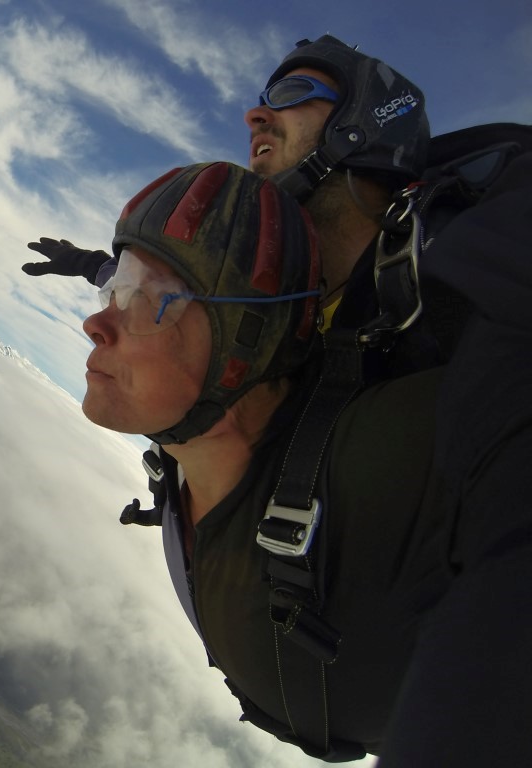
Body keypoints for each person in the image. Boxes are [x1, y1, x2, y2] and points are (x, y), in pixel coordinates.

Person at [78, 159, 532, 764]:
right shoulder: (181, 455)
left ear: (245, 337)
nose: (95, 323)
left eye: (148, 299)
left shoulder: (388, 458)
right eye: (116, 290)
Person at [26, 36, 434, 367]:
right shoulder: (265, 286)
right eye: (263, 100)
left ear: (362, 125)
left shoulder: (447, 287)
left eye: (291, 93)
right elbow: (169, 300)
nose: (253, 115)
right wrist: (88, 264)